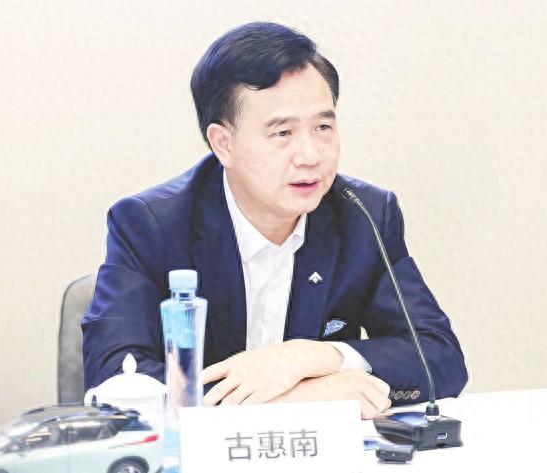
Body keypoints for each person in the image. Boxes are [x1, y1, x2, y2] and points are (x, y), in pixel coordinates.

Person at [82, 22, 467, 419]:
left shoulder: (364, 214)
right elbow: (114, 379)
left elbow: (440, 357)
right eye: (283, 133)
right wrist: (290, 400)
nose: (310, 156)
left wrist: (313, 357)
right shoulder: (150, 225)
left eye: (323, 127)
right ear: (223, 144)